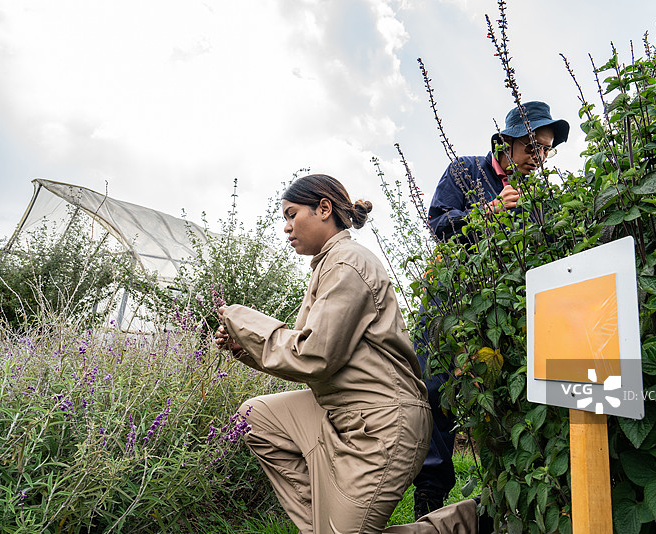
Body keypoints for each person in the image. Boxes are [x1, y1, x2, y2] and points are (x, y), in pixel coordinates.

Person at [215, 174, 432, 534]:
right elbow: (309, 357)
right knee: (256, 416)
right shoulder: (329, 266)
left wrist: (239, 317)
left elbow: (313, 358)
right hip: (341, 413)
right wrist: (246, 348)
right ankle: (324, 525)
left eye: (291, 214)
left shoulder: (347, 263)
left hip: (382, 423)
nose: (286, 228)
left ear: (324, 209)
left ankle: (467, 521)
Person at [413, 101, 570, 518]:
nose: (540, 159)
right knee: (435, 393)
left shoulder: (539, 195)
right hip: (449, 304)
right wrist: (486, 214)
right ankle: (428, 497)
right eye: (533, 149)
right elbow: (439, 224)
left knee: (502, 396)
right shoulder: (466, 171)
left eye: (547, 151)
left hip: (504, 312)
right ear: (507, 143)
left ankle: (500, 504)